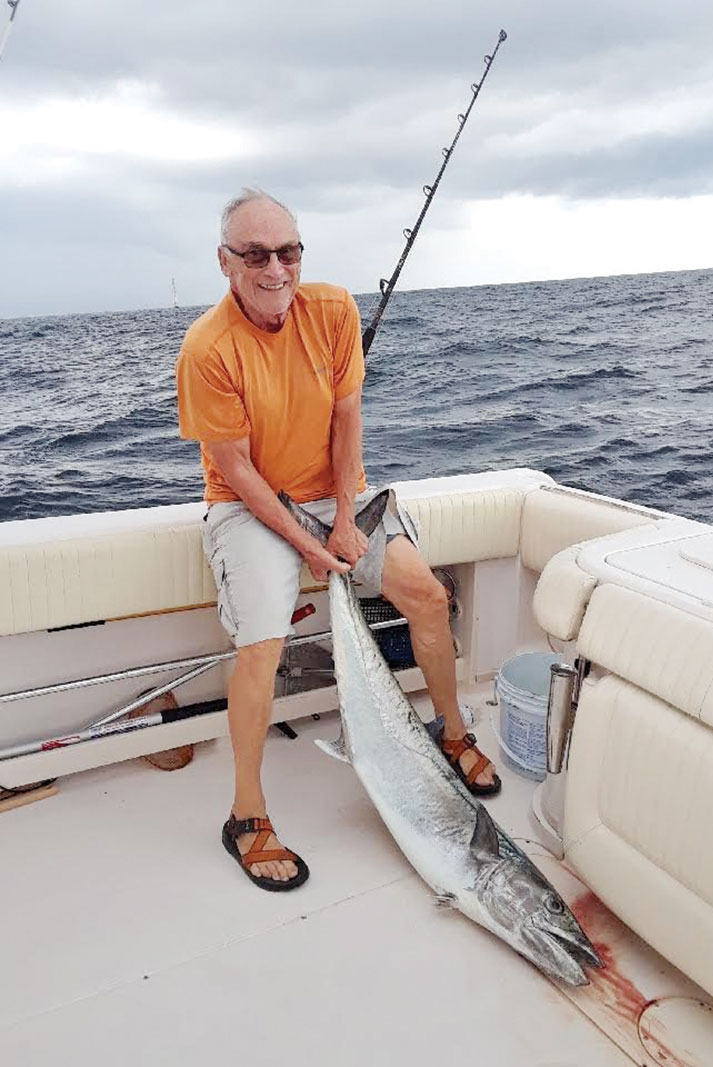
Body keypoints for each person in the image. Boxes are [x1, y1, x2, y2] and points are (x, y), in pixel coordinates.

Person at [176, 188, 500, 892]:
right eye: (255, 254)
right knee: (261, 641)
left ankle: (450, 731)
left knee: (427, 595)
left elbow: (347, 417)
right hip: (248, 503)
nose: (275, 268)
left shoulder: (333, 309)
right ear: (225, 262)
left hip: (335, 493)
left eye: (288, 250)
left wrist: (347, 518)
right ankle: (246, 813)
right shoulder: (207, 347)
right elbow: (235, 469)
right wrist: (308, 545)